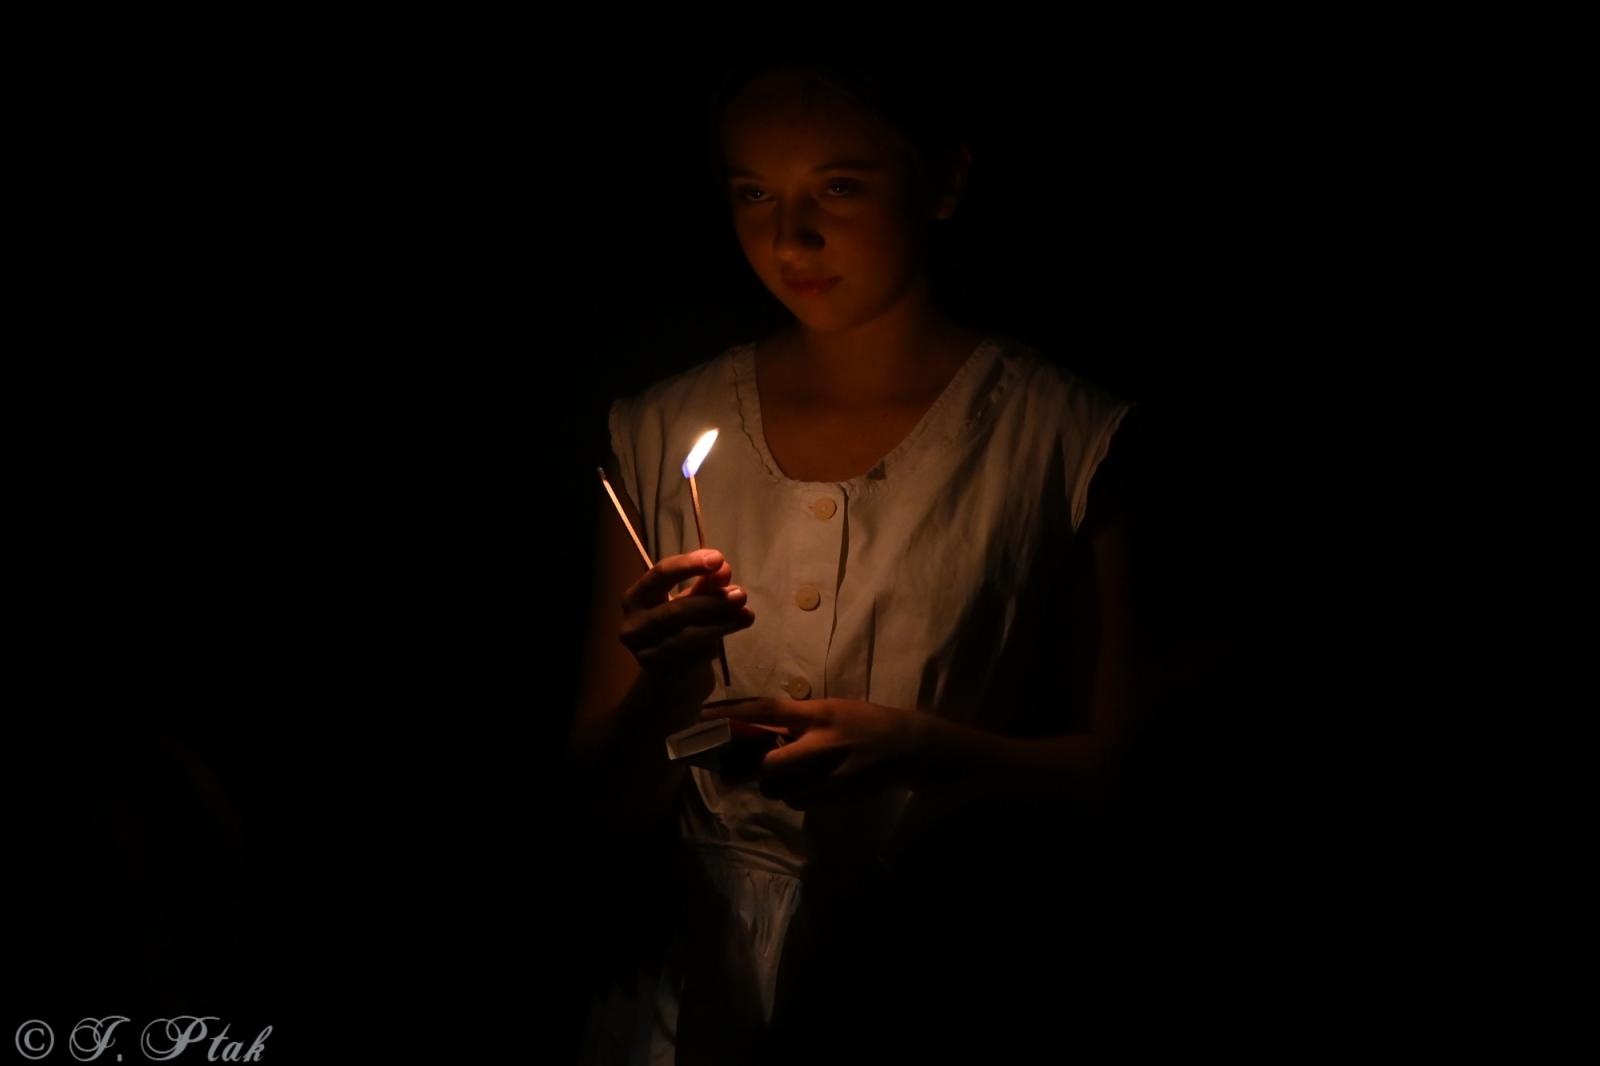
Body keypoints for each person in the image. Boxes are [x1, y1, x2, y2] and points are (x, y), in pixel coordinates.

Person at [568, 51, 1142, 1063]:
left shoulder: (1062, 438)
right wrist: (667, 690)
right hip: (686, 999)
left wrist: (933, 751)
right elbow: (589, 813)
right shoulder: (659, 428)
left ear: (944, 181)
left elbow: (1133, 780)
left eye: (837, 185)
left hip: (939, 969)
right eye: (753, 192)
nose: (789, 237)